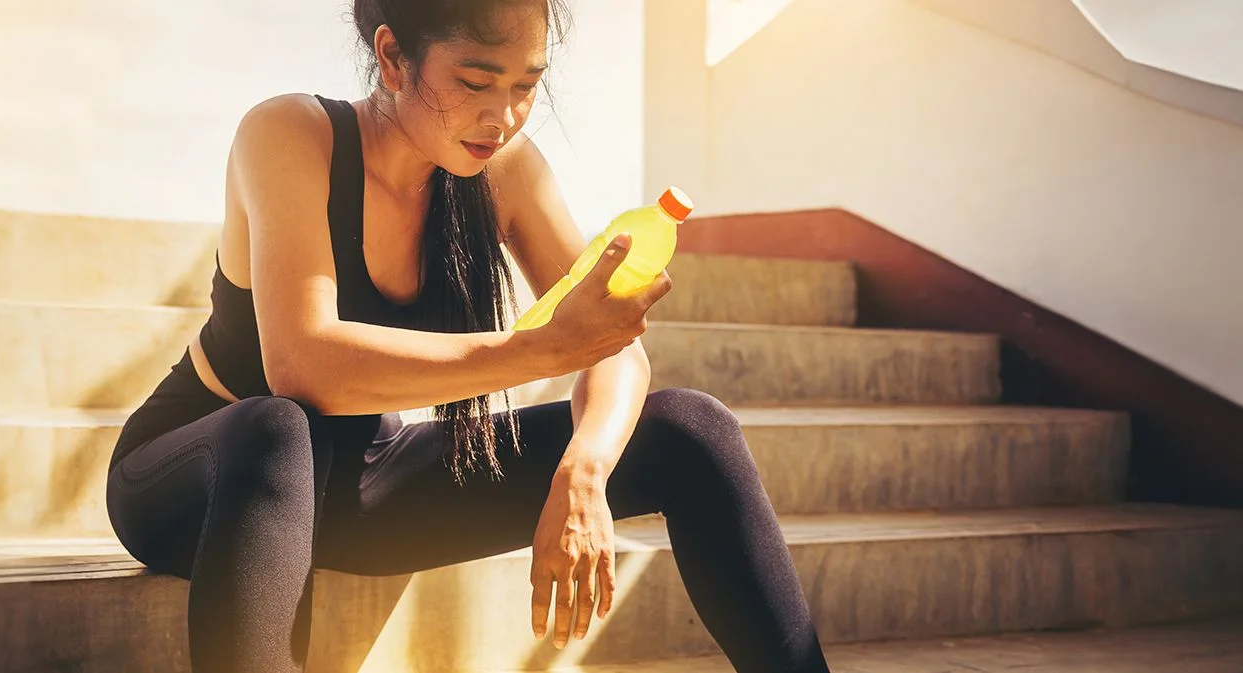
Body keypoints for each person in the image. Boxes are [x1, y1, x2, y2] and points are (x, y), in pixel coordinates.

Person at [104, 1, 831, 671]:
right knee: (277, 424)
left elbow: (617, 351)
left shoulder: (503, 173)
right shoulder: (291, 134)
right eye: (477, 81)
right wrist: (535, 351)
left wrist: (584, 471)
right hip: (204, 479)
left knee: (690, 427)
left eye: (525, 86)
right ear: (392, 58)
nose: (504, 116)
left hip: (361, 485)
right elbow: (304, 366)